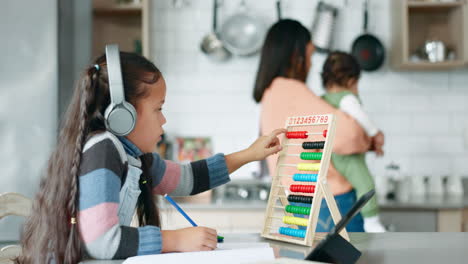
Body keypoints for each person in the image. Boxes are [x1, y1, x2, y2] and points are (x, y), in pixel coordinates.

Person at [16, 51, 285, 263]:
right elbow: (101, 240)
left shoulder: (132, 155)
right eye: (158, 109)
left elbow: (188, 180)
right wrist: (176, 240)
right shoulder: (104, 150)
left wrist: (250, 154)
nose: (163, 119)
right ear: (124, 115)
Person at [253, 19, 371, 232]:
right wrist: (369, 138)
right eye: (309, 55)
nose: (310, 63)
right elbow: (350, 137)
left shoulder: (271, 93)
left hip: (294, 202)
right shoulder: (292, 91)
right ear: (295, 56)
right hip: (326, 203)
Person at [321, 51, 386, 232]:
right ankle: (372, 221)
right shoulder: (347, 98)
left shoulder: (322, 100)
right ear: (351, 81)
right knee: (365, 183)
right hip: (349, 156)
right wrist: (376, 133)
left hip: (332, 155)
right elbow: (362, 117)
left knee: (356, 183)